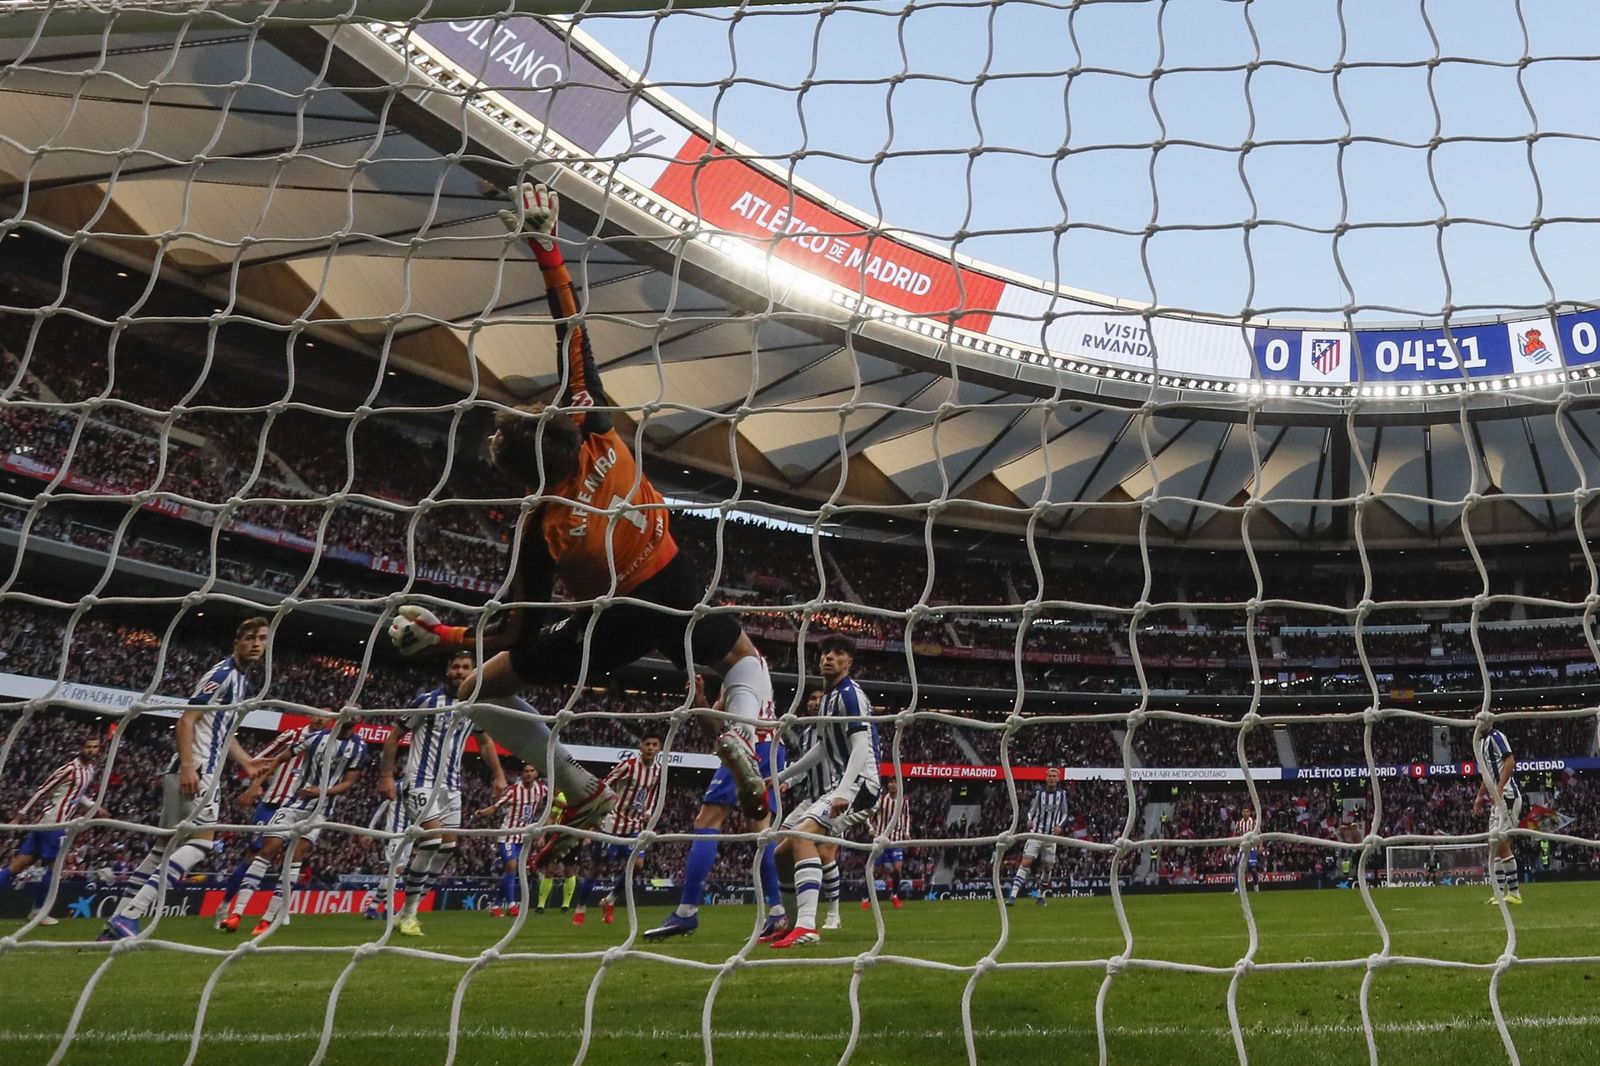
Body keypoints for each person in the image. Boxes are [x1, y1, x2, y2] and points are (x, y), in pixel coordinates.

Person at [387, 181, 773, 863]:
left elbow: (517, 628)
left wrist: (444, 634)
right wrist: (547, 249)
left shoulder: (541, 531)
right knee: (745, 660)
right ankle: (741, 732)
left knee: (477, 689)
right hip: (671, 579)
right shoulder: (598, 430)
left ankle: (578, 786)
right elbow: (573, 334)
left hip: (611, 620)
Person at [102, 618, 269, 939]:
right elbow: (185, 721)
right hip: (196, 771)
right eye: (250, 638)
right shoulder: (222, 676)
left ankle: (115, 922)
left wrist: (247, 762)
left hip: (186, 769)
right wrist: (191, 767)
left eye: (262, 639)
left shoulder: (242, 684)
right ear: (237, 642)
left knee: (161, 849)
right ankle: (132, 916)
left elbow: (221, 731)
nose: (256, 644)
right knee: (202, 845)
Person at [377, 651, 507, 937]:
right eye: (456, 667)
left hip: (452, 786)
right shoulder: (427, 701)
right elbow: (394, 737)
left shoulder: (474, 707)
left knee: (447, 848)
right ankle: (409, 914)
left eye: (466, 668)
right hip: (420, 781)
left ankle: (407, 910)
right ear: (447, 671)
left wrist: (498, 774)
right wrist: (386, 775)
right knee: (432, 840)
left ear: (474, 672)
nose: (460, 672)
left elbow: (484, 743)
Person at [644, 678, 785, 941]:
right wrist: (700, 699)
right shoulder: (750, 668)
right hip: (771, 745)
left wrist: (702, 702)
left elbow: (716, 727)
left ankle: (686, 912)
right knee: (760, 831)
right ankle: (777, 912)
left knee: (707, 820)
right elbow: (716, 722)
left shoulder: (739, 667)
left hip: (750, 744)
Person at [768, 635, 881, 950]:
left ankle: (808, 927)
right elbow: (820, 749)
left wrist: (844, 791)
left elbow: (861, 747)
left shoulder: (851, 695)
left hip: (862, 786)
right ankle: (791, 925)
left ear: (849, 662)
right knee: (781, 854)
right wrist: (779, 777)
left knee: (803, 837)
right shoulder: (829, 699)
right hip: (839, 787)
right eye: (825, 652)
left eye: (838, 653)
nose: (829, 657)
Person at [219, 714, 369, 936]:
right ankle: (236, 913)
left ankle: (267, 919)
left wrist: (322, 792)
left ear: (359, 719)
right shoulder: (315, 738)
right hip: (290, 803)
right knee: (266, 850)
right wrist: (256, 784)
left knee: (296, 856)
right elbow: (280, 758)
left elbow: (349, 781)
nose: (353, 715)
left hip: (319, 811)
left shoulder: (359, 747)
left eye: (358, 712)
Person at [215, 714, 319, 924]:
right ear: (310, 716)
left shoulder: (328, 744)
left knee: (293, 858)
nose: (323, 720)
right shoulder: (292, 735)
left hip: (301, 808)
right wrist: (254, 786)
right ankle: (225, 905)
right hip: (273, 803)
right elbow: (262, 760)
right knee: (254, 855)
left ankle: (279, 909)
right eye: (319, 714)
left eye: (328, 717)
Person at [0, 733, 106, 925]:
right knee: (55, 868)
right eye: (88, 747)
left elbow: (77, 794)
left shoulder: (90, 769)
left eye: (95, 747)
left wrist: (94, 806)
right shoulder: (69, 769)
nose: (91, 751)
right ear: (81, 748)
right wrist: (20, 815)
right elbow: (42, 790)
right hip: (53, 823)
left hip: (50, 824)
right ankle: (39, 912)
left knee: (16, 866)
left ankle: (38, 911)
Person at [575, 731, 664, 926]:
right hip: (612, 824)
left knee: (637, 866)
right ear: (641, 747)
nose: (650, 747)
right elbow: (607, 783)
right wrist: (599, 808)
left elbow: (653, 792)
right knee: (597, 868)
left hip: (634, 826)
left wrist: (648, 811)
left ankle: (610, 900)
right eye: (647, 744)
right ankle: (581, 907)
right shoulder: (629, 766)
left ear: (659, 748)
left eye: (654, 744)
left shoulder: (658, 770)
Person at [477, 763, 548, 917]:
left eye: (532, 771)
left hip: (523, 838)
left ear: (536, 774)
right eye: (526, 771)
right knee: (511, 867)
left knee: (512, 871)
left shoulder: (541, 789)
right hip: (507, 835)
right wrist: (482, 813)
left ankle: (495, 906)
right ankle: (511, 905)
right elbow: (496, 806)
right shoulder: (514, 791)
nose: (529, 774)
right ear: (521, 774)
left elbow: (552, 802)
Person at [1474, 727, 1523, 905]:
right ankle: (1500, 893)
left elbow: (1510, 761)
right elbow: (1487, 776)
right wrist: (1480, 796)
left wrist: (1501, 786)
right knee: (1494, 844)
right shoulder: (1481, 743)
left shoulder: (1496, 737)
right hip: (1497, 799)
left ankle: (1515, 893)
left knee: (1502, 843)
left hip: (1508, 796)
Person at [1007, 768, 1068, 906]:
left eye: (1054, 776)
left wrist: (1060, 826)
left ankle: (1040, 896)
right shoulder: (1039, 794)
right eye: (1050, 776)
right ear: (1046, 778)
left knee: (1047, 867)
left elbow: (1065, 813)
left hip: (1051, 837)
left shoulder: (1062, 794)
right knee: (1026, 862)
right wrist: (1029, 820)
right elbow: (1031, 811)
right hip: (1036, 833)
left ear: (1058, 779)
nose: (1052, 778)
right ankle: (1012, 896)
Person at [364, 772, 412, 920]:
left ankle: (374, 908)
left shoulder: (420, 788)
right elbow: (381, 809)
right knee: (395, 872)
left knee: (394, 873)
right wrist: (369, 831)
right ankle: (388, 909)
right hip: (395, 834)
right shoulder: (396, 787)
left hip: (409, 836)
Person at [865, 776, 913, 912]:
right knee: (873, 870)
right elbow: (868, 815)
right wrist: (870, 828)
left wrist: (907, 832)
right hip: (881, 838)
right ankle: (866, 897)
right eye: (890, 782)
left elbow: (906, 816)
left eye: (895, 782)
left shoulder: (903, 801)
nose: (893, 785)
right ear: (887, 785)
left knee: (898, 868)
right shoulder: (881, 800)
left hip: (895, 840)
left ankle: (895, 895)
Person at [1232, 803, 1260, 895]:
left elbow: (1259, 834)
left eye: (1247, 811)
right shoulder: (1239, 823)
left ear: (1250, 813)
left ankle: (1256, 886)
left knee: (1253, 869)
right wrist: (1229, 845)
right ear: (1241, 813)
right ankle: (1236, 888)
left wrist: (1260, 846)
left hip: (1252, 848)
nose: (1245, 813)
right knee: (1238, 868)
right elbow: (1235, 834)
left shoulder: (1254, 822)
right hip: (1242, 848)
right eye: (1244, 811)